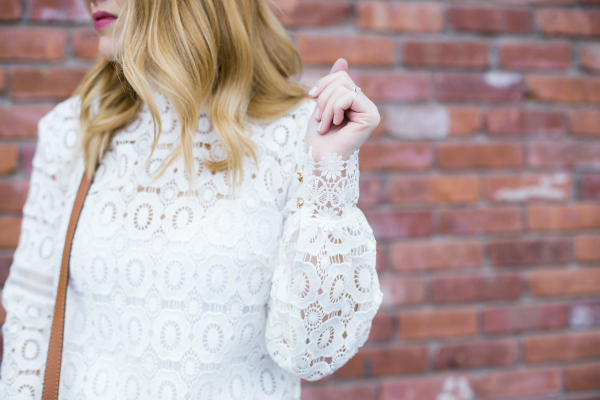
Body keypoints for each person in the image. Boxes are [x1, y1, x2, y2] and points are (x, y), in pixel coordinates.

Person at [0, 0, 383, 398]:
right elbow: (32, 311)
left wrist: (327, 183)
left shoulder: (297, 136)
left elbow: (311, 354)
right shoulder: (77, 128)